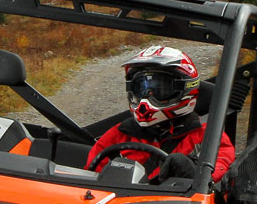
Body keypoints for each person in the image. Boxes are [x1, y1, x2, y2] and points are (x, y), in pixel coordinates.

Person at [86, 45, 233, 184]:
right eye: (142, 88)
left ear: (184, 90)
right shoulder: (119, 135)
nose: (148, 97)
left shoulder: (206, 136)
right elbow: (89, 180)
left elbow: (222, 171)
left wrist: (193, 171)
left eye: (159, 89)